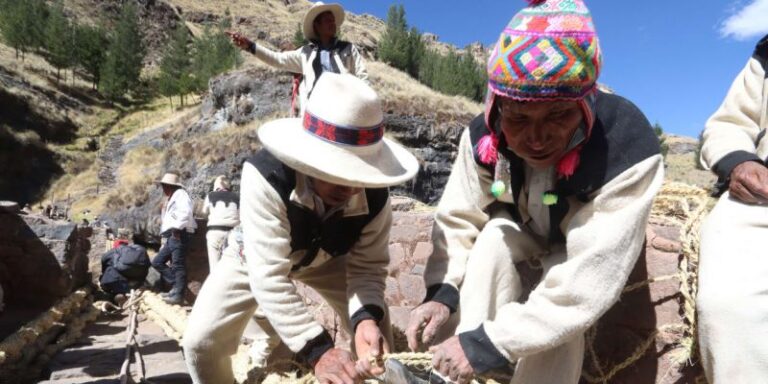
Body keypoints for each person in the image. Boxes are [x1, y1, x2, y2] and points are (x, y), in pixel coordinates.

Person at [404, 1, 665, 383]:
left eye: (559, 115)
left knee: (559, 298)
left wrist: (494, 342)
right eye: (519, 118)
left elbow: (585, 279)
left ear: (584, 106)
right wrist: (440, 297)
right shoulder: (482, 138)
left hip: (578, 245)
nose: (537, 138)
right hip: (523, 228)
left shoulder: (625, 147)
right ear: (498, 107)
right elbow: (459, 217)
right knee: (492, 237)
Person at [182, 73, 419, 384]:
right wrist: (318, 351)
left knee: (376, 335)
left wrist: (365, 319)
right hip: (251, 257)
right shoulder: (266, 177)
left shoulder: (375, 196)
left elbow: (368, 268)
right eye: (337, 173)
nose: (349, 189)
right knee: (201, 343)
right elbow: (268, 274)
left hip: (329, 260)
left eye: (357, 174)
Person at [696, 34, 768, 383]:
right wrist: (740, 162)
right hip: (763, 200)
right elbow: (729, 124)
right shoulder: (765, 60)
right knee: (727, 305)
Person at [227, 2, 367, 115]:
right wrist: (250, 46)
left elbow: (363, 77)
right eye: (327, 20)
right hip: (316, 113)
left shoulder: (348, 48)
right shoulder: (305, 53)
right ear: (317, 26)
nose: (332, 23)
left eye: (333, 20)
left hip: (346, 111)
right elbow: (277, 59)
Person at [151, 172, 197, 305]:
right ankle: (178, 287)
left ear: (169, 185)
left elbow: (185, 212)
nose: (162, 188)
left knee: (178, 265)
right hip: (173, 234)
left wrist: (177, 228)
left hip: (179, 233)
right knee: (158, 262)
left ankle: (178, 294)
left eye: (164, 185)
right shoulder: (172, 197)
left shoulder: (180, 194)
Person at [99, 230, 150, 304]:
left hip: (120, 282)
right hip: (138, 280)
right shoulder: (136, 251)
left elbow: (103, 268)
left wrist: (102, 282)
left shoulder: (111, 252)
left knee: (109, 271)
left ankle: (116, 295)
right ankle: (129, 292)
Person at [201, 175, 239, 271]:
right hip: (233, 233)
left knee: (214, 266)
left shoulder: (210, 195)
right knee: (231, 266)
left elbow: (204, 212)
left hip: (215, 232)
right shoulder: (237, 197)